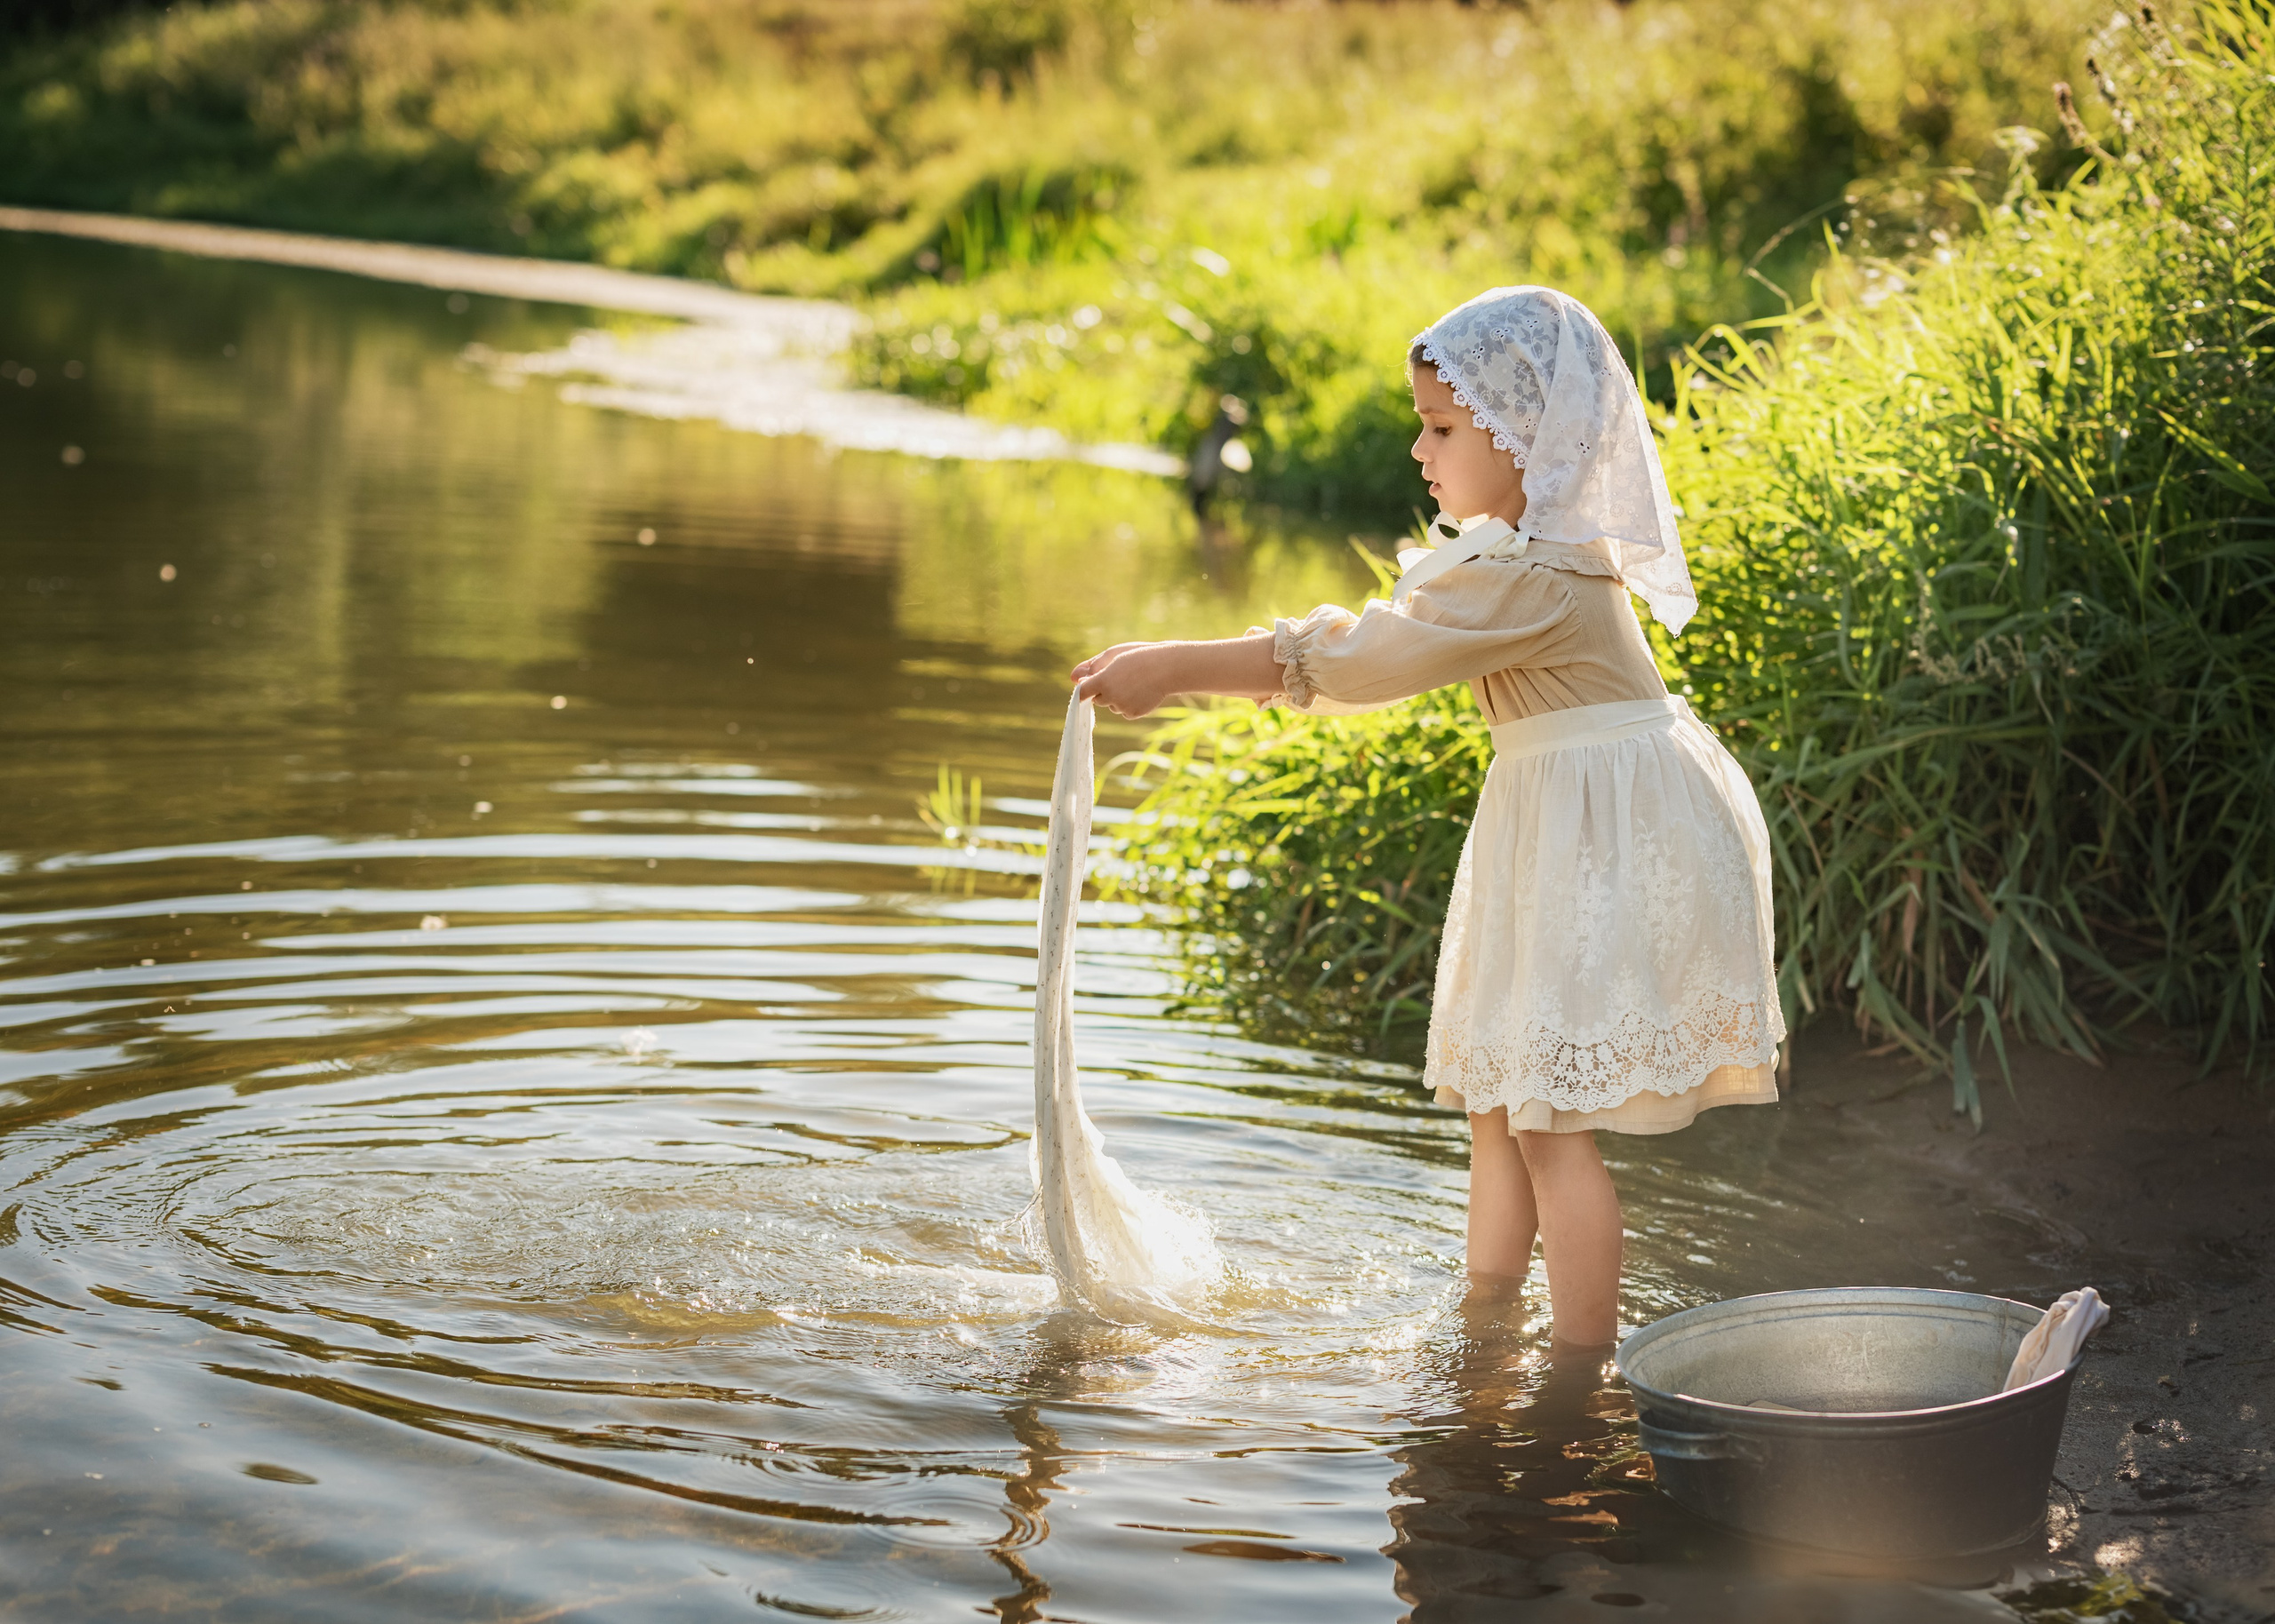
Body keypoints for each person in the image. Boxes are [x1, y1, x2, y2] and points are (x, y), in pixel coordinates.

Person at [1071, 286, 1784, 1349]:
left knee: (1545, 1120)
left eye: (1444, 427)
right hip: (1562, 822)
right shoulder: (1516, 554)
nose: (1419, 449)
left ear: (1526, 440)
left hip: (1610, 840)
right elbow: (1388, 636)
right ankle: (1487, 1324)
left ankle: (1579, 1373)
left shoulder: (1536, 572)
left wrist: (1175, 667)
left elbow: (1364, 660)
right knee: (1499, 1100)